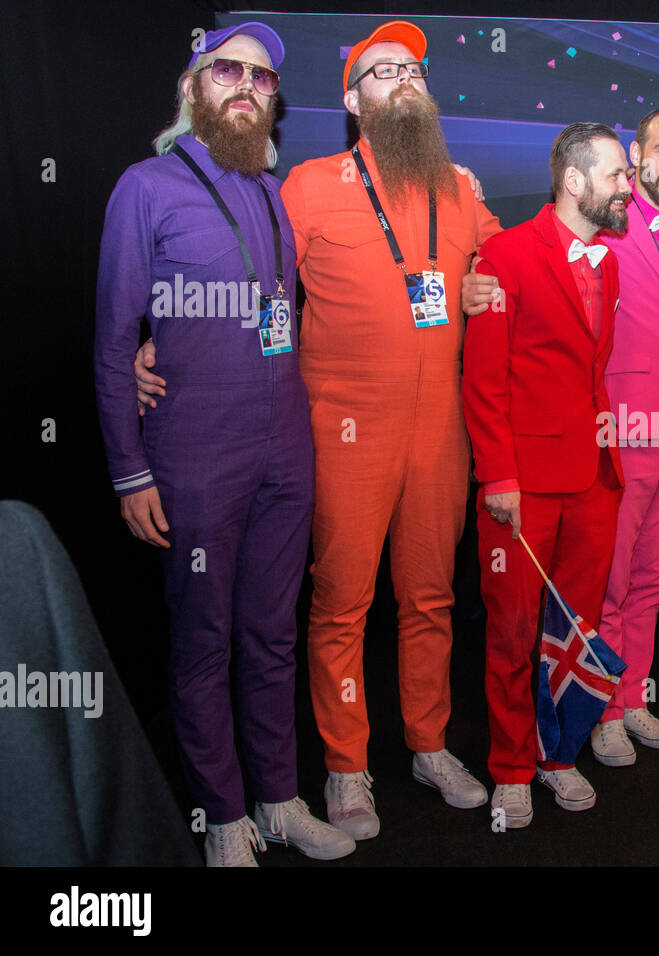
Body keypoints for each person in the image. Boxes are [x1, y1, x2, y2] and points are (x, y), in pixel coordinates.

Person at [136, 20, 500, 837]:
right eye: (380, 71)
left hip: (440, 429)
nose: (401, 79)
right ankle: (344, 767)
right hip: (342, 429)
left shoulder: (459, 187)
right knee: (341, 604)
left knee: (433, 597)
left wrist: (488, 282)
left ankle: (430, 743)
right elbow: (249, 276)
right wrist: (158, 337)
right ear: (350, 100)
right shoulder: (306, 184)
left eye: (412, 68)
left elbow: (506, 265)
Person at [93, 21, 353, 865]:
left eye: (262, 78)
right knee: (203, 639)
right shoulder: (145, 186)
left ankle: (279, 798)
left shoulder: (276, 195)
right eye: (227, 71)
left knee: (272, 635)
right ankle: (223, 816)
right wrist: (130, 469)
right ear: (193, 87)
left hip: (287, 450)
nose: (246, 84)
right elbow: (110, 341)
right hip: (195, 455)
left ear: (273, 104)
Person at [462, 123, 628, 827]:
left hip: (593, 477)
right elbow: (483, 380)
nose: (629, 186)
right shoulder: (502, 257)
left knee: (574, 628)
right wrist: (498, 477)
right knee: (513, 628)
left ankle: (558, 755)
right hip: (522, 486)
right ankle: (510, 766)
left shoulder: (610, 260)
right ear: (573, 179)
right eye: (618, 174)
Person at [588, 107, 659, 764]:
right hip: (622, 432)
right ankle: (602, 710)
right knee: (611, 579)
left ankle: (634, 698)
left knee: (653, 581)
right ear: (637, 156)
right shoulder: (605, 227)